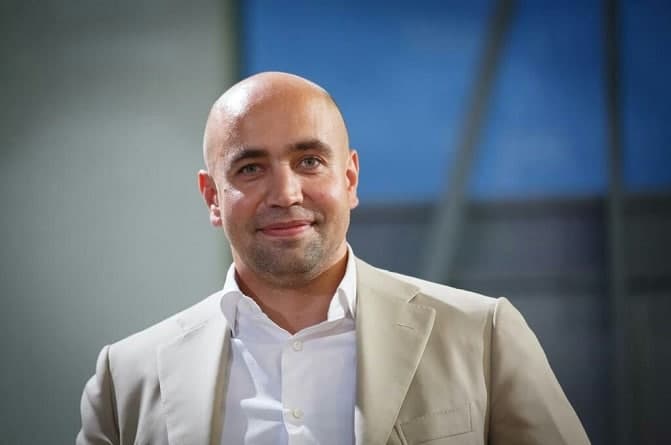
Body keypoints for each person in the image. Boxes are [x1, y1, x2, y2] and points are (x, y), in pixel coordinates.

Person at [77, 72, 590, 445]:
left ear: (349, 179)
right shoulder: (127, 378)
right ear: (212, 196)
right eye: (251, 168)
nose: (286, 193)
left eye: (309, 161)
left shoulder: (482, 336)